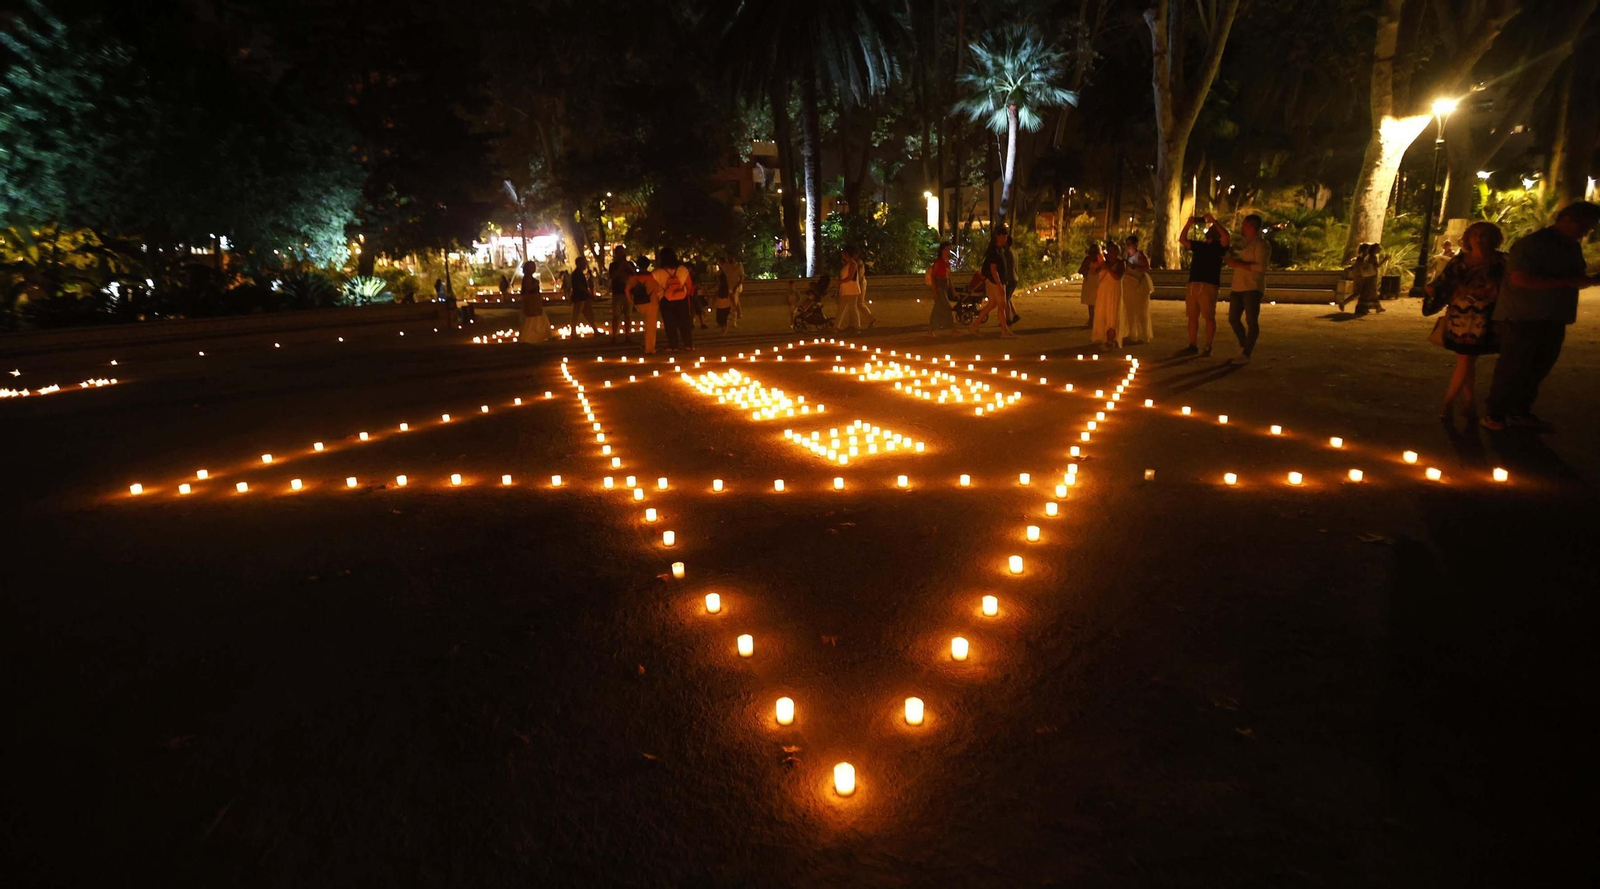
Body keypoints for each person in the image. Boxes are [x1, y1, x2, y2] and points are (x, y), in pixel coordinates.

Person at [1482, 201, 1600, 431]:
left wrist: (1588, 280)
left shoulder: (1571, 247)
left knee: (1538, 368)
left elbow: (1575, 277)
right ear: (1566, 219)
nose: (1585, 232)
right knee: (1513, 367)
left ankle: (1519, 411)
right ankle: (1495, 414)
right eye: (1583, 226)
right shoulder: (1532, 244)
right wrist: (1566, 282)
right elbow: (1520, 279)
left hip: (1553, 317)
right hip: (1522, 316)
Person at [1425, 221, 1505, 421]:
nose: (1479, 239)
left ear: (1493, 238)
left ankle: (1450, 402)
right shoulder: (1459, 261)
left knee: (1466, 359)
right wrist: (1433, 290)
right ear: (1468, 237)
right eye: (1475, 234)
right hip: (1459, 316)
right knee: (1466, 360)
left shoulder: (1501, 262)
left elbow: (1508, 289)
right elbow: (1443, 282)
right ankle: (1467, 403)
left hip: (1484, 317)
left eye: (1484, 235)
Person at [1178, 214, 1227, 356]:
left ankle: (1208, 345)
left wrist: (1215, 221)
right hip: (1194, 283)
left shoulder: (1220, 247)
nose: (1209, 230)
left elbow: (1226, 237)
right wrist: (1189, 223)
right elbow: (1182, 240)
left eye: (1212, 229)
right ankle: (1192, 344)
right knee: (1192, 316)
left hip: (1208, 285)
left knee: (1209, 317)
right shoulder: (1200, 245)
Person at [1223, 214, 1268, 364]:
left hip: (1252, 287)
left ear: (1251, 225)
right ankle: (1244, 346)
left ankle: (1246, 353)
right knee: (1233, 319)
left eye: (1244, 224)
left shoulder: (1261, 245)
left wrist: (1237, 264)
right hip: (1238, 287)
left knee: (1251, 321)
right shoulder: (1247, 244)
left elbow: (1260, 267)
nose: (1242, 227)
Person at [970, 227, 1016, 337]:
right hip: (995, 281)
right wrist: (999, 285)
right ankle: (1004, 331)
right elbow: (993, 269)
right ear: (997, 237)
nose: (1004, 239)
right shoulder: (994, 251)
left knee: (992, 304)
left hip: (994, 280)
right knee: (1001, 305)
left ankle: (974, 326)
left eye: (1005, 236)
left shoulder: (999, 250)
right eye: (1002, 236)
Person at [652, 248, 695, 351]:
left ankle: (673, 345)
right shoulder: (683, 269)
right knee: (684, 322)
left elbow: (653, 288)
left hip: (666, 300)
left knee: (670, 323)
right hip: (682, 299)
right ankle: (688, 344)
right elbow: (689, 285)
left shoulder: (657, 272)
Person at [1121, 234, 1153, 344]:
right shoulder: (1127, 255)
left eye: (1130, 244)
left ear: (1136, 244)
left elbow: (1146, 268)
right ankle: (1132, 333)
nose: (1128, 246)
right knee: (1130, 310)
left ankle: (1143, 335)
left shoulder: (1140, 255)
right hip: (1129, 285)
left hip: (1139, 284)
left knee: (1141, 310)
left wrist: (1134, 267)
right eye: (1127, 244)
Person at [1091, 242, 1125, 348]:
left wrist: (1108, 268)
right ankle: (1105, 338)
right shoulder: (1104, 263)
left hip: (1113, 292)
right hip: (1103, 292)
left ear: (1117, 253)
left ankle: (1110, 341)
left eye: (1112, 251)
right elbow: (1093, 272)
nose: (1109, 254)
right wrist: (1096, 265)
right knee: (1103, 314)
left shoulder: (1120, 263)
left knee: (1112, 315)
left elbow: (1117, 277)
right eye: (1108, 251)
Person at [628, 256, 661, 355]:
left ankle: (645, 343)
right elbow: (658, 290)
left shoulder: (634, 277)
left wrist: (632, 302)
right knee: (650, 326)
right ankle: (649, 348)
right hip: (652, 303)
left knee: (645, 325)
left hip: (639, 303)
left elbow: (627, 290)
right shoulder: (652, 277)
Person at [926, 242, 957, 336]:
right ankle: (952, 329)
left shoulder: (946, 263)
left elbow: (949, 277)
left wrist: (952, 289)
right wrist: (934, 290)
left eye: (949, 249)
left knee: (937, 309)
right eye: (946, 250)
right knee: (946, 307)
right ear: (941, 251)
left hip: (945, 287)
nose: (947, 252)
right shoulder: (938, 262)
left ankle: (931, 330)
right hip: (940, 288)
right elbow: (933, 276)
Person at [836, 246, 869, 332]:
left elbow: (851, 277)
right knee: (841, 308)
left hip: (852, 290)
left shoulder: (853, 264)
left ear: (847, 254)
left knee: (853, 308)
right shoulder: (847, 264)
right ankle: (836, 327)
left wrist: (840, 281)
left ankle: (857, 327)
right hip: (845, 289)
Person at [607, 246, 636, 343]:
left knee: (628, 315)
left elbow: (635, 275)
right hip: (617, 293)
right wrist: (620, 268)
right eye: (619, 252)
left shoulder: (630, 264)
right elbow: (612, 276)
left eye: (622, 252)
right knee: (616, 315)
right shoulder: (613, 265)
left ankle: (627, 335)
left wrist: (628, 267)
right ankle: (614, 335)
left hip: (628, 292)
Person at [518, 260, 550, 344]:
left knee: (538, 319)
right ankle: (530, 336)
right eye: (532, 267)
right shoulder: (527, 278)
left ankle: (539, 335)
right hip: (531, 302)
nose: (534, 268)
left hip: (535, 301)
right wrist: (535, 284)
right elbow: (527, 289)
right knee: (531, 320)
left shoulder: (529, 277)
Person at [569, 256, 596, 332]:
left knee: (588, 313)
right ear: (579, 264)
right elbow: (579, 286)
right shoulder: (577, 274)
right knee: (576, 314)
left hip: (583, 296)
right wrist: (588, 293)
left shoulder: (579, 273)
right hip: (579, 297)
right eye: (584, 263)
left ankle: (595, 329)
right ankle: (573, 332)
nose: (585, 265)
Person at [1077, 241, 1100, 329]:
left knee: (1092, 304)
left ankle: (1092, 321)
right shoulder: (1090, 259)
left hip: (1094, 281)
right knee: (1093, 303)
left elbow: (1080, 270)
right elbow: (1080, 270)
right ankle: (1092, 321)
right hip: (1092, 281)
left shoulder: (1098, 259)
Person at [720, 251, 746, 327]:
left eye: (730, 257)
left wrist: (737, 286)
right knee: (732, 302)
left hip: (736, 287)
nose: (729, 258)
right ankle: (738, 314)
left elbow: (742, 277)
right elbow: (722, 274)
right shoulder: (726, 266)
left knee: (734, 302)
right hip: (728, 287)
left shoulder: (738, 266)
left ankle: (734, 319)